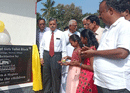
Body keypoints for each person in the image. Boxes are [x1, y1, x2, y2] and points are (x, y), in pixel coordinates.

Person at [81, 0, 130, 93]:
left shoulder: (125, 26)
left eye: (101, 12)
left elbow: (122, 52)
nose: (99, 16)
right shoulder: (107, 29)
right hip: (103, 83)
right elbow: (105, 51)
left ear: (111, 11)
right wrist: (91, 51)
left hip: (116, 86)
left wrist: (94, 53)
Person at [40, 18, 67, 93]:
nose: (52, 26)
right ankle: (46, 91)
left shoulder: (61, 34)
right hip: (46, 55)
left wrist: (63, 60)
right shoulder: (45, 34)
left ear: (56, 24)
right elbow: (41, 46)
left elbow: (64, 48)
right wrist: (41, 57)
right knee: (46, 76)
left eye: (54, 24)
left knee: (56, 76)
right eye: (50, 24)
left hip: (56, 56)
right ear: (48, 25)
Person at [60, 19, 80, 93]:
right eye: (75, 25)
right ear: (70, 26)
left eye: (76, 25)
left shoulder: (78, 33)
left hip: (76, 60)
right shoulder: (64, 34)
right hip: (67, 59)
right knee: (65, 78)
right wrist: (65, 59)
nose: (76, 27)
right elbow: (63, 48)